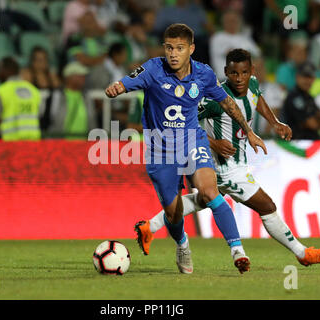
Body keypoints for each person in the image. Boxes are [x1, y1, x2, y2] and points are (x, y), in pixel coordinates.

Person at [135, 48, 320, 267]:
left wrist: (275, 122)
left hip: (237, 164)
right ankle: (302, 253)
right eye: (234, 73)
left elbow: (257, 99)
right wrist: (214, 142)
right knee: (267, 206)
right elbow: (184, 125)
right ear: (226, 72)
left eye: (244, 73)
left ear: (251, 72)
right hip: (222, 168)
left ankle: (149, 226)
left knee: (202, 200)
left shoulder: (254, 84)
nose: (239, 79)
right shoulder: (213, 99)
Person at [105, 24, 267, 274]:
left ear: (190, 49)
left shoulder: (203, 74)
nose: (173, 53)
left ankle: (237, 251)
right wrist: (118, 87)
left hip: (193, 140)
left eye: (179, 48)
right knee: (173, 212)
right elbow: (127, 81)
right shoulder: (152, 69)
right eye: (169, 47)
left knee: (209, 191)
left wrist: (249, 131)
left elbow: (227, 103)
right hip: (160, 149)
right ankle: (182, 244)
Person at [0, 57, 41, 141]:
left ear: (5, 70)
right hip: (33, 144)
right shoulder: (34, 91)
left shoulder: (1, 91)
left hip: (10, 144)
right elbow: (40, 115)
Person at [280, 61, 320, 140]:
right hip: (296, 144)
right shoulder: (293, 97)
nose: (307, 81)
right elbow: (313, 124)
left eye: (310, 77)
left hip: (309, 143)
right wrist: (317, 120)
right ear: (297, 77)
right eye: (305, 77)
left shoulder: (309, 97)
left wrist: (317, 121)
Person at [209, 10, 260, 81]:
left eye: (234, 20)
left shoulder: (245, 38)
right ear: (223, 22)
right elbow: (232, 55)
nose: (232, 23)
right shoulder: (217, 37)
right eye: (229, 20)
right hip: (224, 80)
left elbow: (258, 56)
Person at [44, 61, 89, 137]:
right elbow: (48, 120)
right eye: (80, 76)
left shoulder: (86, 96)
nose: (84, 78)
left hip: (84, 145)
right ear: (70, 77)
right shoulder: (56, 96)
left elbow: (92, 122)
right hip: (62, 145)